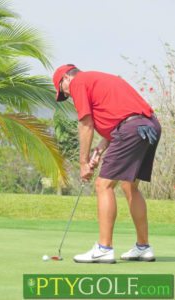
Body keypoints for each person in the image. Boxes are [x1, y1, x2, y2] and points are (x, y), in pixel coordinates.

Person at [52, 64, 161, 264]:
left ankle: (104, 248)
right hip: (149, 126)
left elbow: (86, 123)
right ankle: (143, 247)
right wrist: (99, 150)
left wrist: (83, 163)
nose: (67, 96)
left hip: (131, 129)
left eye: (63, 91)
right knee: (129, 185)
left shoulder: (79, 82)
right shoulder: (101, 79)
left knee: (103, 185)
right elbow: (121, 118)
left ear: (66, 78)